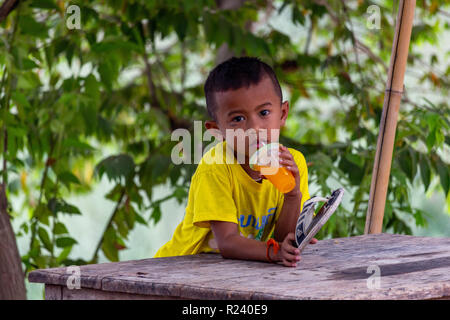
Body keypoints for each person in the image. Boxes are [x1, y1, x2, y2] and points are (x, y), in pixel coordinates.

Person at [154, 56, 317, 267]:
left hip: (234, 270)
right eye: (238, 119)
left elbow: (282, 242)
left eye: (264, 113)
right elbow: (228, 242)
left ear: (283, 114)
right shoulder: (216, 167)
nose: (254, 128)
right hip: (179, 267)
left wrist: (293, 195)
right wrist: (273, 252)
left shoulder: (292, 163)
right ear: (217, 131)